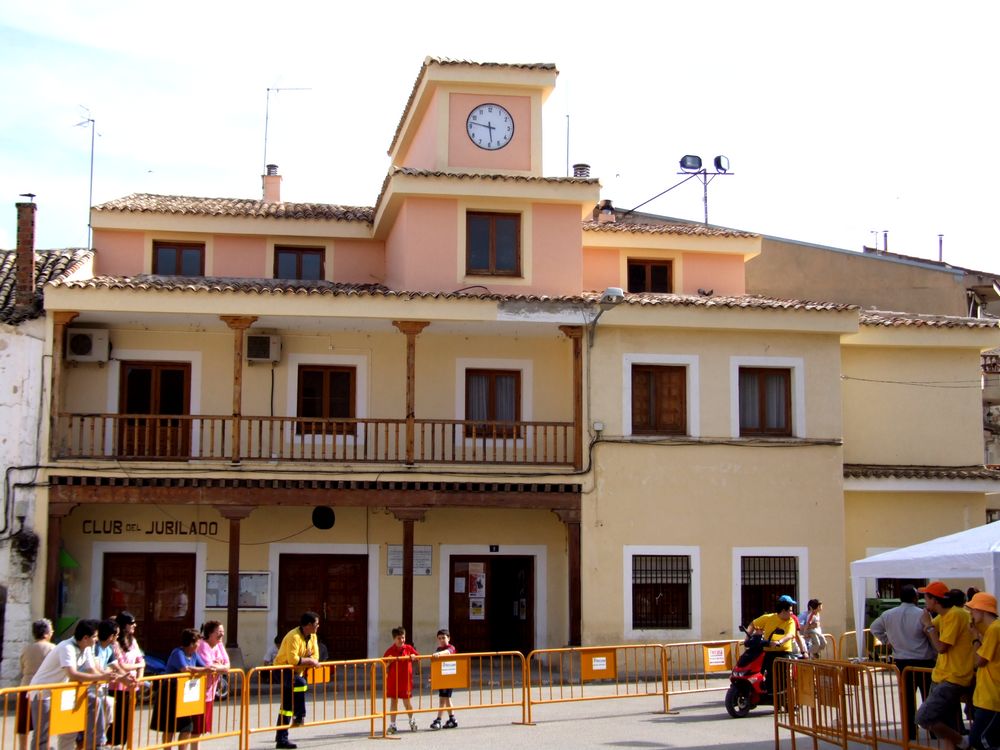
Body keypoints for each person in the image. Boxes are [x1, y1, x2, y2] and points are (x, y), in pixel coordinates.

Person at [29, 619, 114, 750]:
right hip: (43, 692)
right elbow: (72, 674)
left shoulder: (86, 648)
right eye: (95, 637)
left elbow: (94, 670)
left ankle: (96, 744)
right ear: (86, 638)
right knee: (43, 733)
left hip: (62, 692)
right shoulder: (66, 647)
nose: (96, 640)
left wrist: (117, 678)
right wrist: (102, 677)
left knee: (88, 707)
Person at [869, 584, 937, 741]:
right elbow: (929, 635)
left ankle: (910, 732)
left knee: (907, 698)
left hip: (901, 661)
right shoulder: (922, 614)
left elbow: (874, 628)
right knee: (929, 697)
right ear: (915, 597)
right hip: (923, 661)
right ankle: (933, 730)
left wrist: (888, 640)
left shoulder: (888, 614)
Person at [915, 581, 977, 750]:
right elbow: (928, 631)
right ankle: (959, 741)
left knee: (924, 717)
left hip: (953, 677)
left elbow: (941, 647)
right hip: (943, 676)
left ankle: (963, 741)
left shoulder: (955, 615)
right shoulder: (945, 616)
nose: (924, 602)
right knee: (948, 723)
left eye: (926, 598)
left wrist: (928, 626)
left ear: (934, 600)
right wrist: (929, 626)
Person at [150, 628, 210, 750]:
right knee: (169, 727)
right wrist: (203, 670)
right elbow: (185, 668)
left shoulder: (194, 655)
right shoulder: (178, 653)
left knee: (187, 726)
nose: (199, 645)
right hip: (170, 692)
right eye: (198, 642)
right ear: (192, 643)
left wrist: (210, 668)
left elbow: (204, 666)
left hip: (185, 693)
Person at [79, 619, 129, 750]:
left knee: (109, 707)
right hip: (88, 689)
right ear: (111, 635)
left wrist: (126, 677)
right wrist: (114, 676)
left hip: (100, 689)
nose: (117, 637)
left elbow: (116, 667)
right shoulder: (94, 647)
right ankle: (97, 743)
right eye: (116, 635)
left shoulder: (109, 649)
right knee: (89, 723)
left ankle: (99, 741)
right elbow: (97, 669)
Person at [273, 612, 321, 750]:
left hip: (296, 672)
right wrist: (310, 660)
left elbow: (316, 656)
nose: (318, 627)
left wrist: (309, 660)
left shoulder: (313, 637)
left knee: (286, 707)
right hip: (283, 670)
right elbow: (293, 660)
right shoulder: (293, 636)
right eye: (316, 624)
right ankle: (299, 715)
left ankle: (281, 739)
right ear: (308, 625)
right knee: (300, 683)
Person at [745, 595, 807, 694]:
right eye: (790, 610)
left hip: (784, 652)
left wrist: (779, 642)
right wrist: (748, 638)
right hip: (768, 650)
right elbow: (752, 624)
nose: (792, 613)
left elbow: (791, 634)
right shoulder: (768, 618)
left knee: (783, 675)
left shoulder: (791, 620)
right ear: (783, 610)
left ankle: (787, 697)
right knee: (764, 672)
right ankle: (764, 691)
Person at [966, 592, 1000, 750]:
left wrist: (974, 638)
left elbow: (979, 661)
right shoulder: (992, 629)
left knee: (979, 739)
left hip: (992, 697)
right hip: (988, 695)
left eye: (973, 609)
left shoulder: (994, 630)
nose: (971, 613)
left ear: (982, 610)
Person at [107, 610, 145, 748]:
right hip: (117, 686)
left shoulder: (133, 641)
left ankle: (122, 745)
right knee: (116, 721)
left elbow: (141, 660)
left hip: (132, 686)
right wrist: (136, 666)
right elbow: (120, 664)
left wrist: (139, 678)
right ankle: (112, 744)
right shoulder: (115, 643)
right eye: (131, 623)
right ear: (124, 625)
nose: (134, 626)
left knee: (126, 722)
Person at [16, 618, 55, 750]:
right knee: (42, 725)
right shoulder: (52, 649)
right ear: (46, 633)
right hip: (42, 691)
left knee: (23, 724)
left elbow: (22, 668)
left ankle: (23, 748)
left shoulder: (26, 648)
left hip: (25, 687)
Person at [194, 621, 231, 739]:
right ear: (210, 633)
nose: (222, 634)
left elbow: (227, 665)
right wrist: (219, 666)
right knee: (195, 729)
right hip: (198, 691)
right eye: (219, 632)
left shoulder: (219, 645)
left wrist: (219, 666)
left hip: (210, 692)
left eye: (223, 632)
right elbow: (209, 666)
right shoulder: (203, 645)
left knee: (201, 729)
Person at [383, 625, 419, 734]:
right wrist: (388, 662)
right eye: (399, 638)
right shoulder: (389, 650)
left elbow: (417, 657)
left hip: (405, 681)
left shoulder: (408, 648)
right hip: (393, 681)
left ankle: (412, 721)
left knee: (407, 702)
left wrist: (414, 656)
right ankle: (393, 725)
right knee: (393, 702)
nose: (401, 640)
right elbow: (384, 665)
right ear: (394, 639)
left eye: (403, 637)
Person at [429, 628, 458, 730]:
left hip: (449, 677)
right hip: (441, 677)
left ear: (448, 638)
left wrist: (439, 654)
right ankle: (452, 719)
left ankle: (438, 720)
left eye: (443, 638)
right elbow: (436, 665)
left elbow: (448, 652)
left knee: (443, 699)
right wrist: (432, 676)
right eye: (439, 638)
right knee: (446, 699)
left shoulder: (451, 648)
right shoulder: (438, 649)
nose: (441, 640)